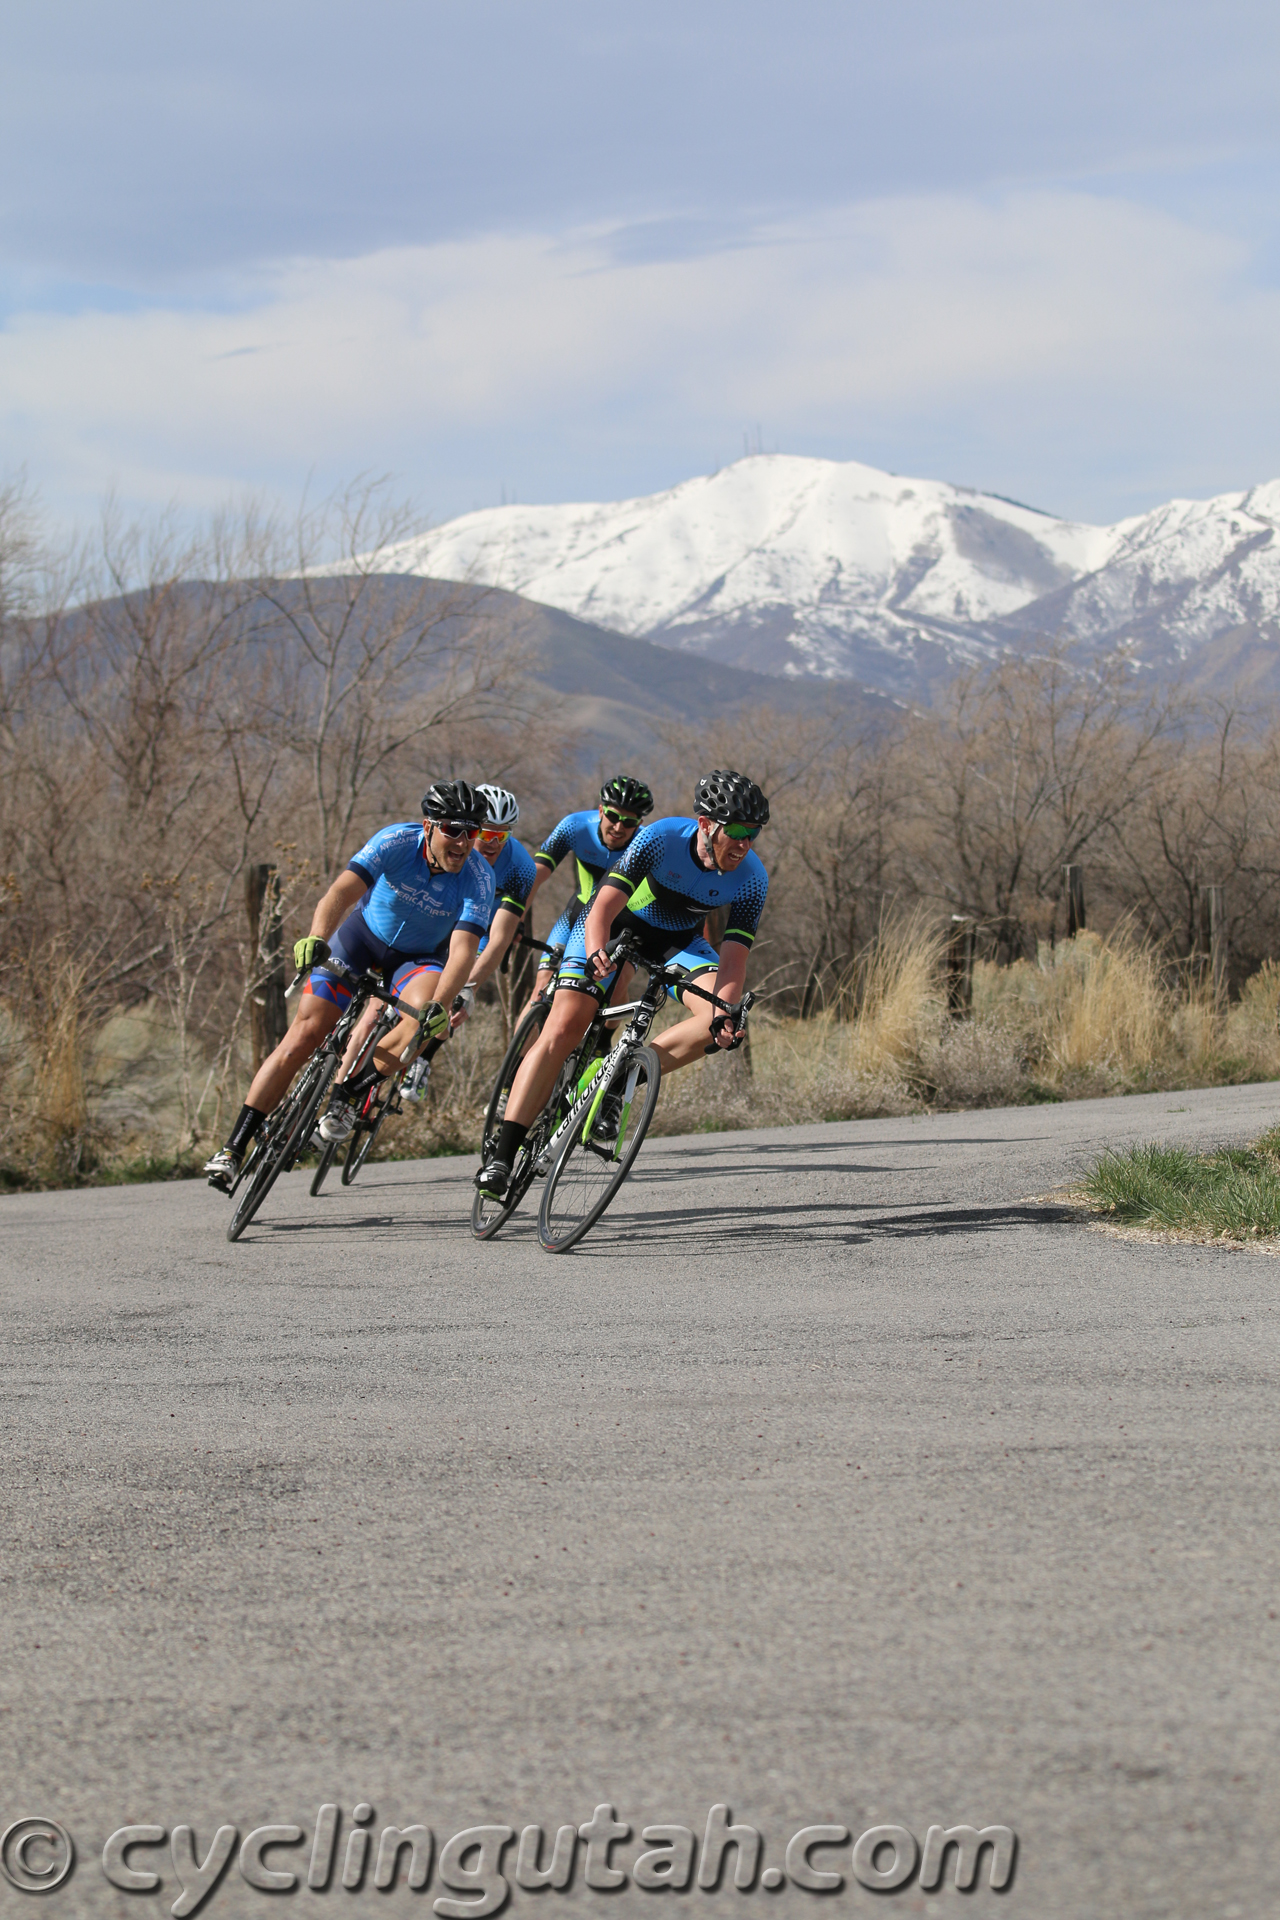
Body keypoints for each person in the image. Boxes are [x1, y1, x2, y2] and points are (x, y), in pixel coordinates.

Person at [474, 769, 769, 1199]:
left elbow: (733, 960)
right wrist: (596, 952)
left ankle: (618, 1082)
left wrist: (724, 1012)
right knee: (565, 1026)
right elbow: (604, 906)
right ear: (705, 824)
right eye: (736, 831)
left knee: (715, 1022)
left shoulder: (753, 877)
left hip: (679, 942)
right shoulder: (661, 838)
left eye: (753, 833)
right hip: (615, 925)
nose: (744, 843)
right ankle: (502, 1154)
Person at [203, 780, 493, 1189]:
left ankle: (350, 1094)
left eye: (472, 831)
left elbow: (463, 950)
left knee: (420, 1023)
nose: (463, 842)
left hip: (417, 958)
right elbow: (341, 891)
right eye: (453, 829)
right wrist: (318, 937)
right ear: (428, 827)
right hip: (360, 939)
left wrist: (440, 1004)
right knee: (304, 1035)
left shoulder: (479, 877)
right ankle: (233, 1147)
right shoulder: (395, 841)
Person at [519, 776, 655, 1008]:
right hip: (577, 913)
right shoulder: (575, 826)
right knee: (540, 990)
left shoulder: (646, 845)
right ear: (601, 810)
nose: (619, 827)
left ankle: (603, 1041)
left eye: (629, 822)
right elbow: (536, 873)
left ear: (640, 822)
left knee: (615, 989)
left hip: (624, 923)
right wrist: (516, 918)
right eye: (613, 816)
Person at [463, 783, 540, 995]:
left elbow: (500, 938)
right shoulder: (456, 846)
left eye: (502, 836)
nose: (494, 844)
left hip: (482, 929)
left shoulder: (521, 866)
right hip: (442, 914)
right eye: (487, 835)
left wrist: (468, 988)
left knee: (454, 990)